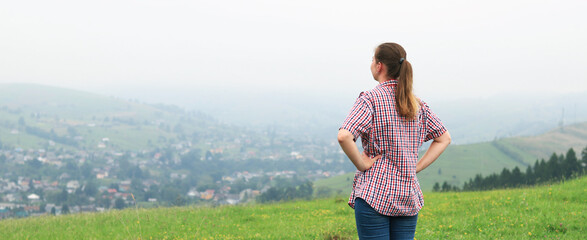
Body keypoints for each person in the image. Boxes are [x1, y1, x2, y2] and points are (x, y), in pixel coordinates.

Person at [337, 42, 451, 239]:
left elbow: (344, 135)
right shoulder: (417, 105)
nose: (371, 64)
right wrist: (415, 167)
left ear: (379, 65)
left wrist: (362, 164)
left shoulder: (371, 99)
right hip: (407, 195)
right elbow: (444, 138)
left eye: (373, 60)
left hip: (374, 194)